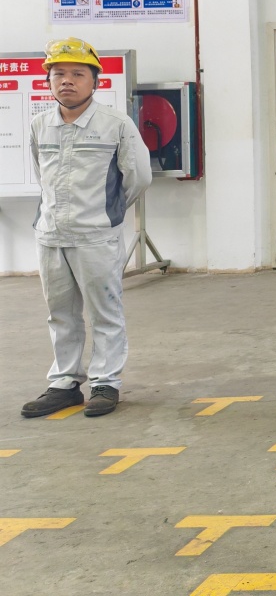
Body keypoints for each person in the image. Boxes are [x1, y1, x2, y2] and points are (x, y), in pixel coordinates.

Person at [21, 38, 152, 420]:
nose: (67, 81)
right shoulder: (40, 125)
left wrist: (108, 213)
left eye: (78, 74)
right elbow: (41, 174)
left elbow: (139, 177)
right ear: (48, 80)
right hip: (51, 236)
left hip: (96, 236)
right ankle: (64, 383)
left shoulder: (115, 124)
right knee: (60, 313)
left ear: (95, 81)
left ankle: (105, 383)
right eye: (59, 74)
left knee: (104, 312)